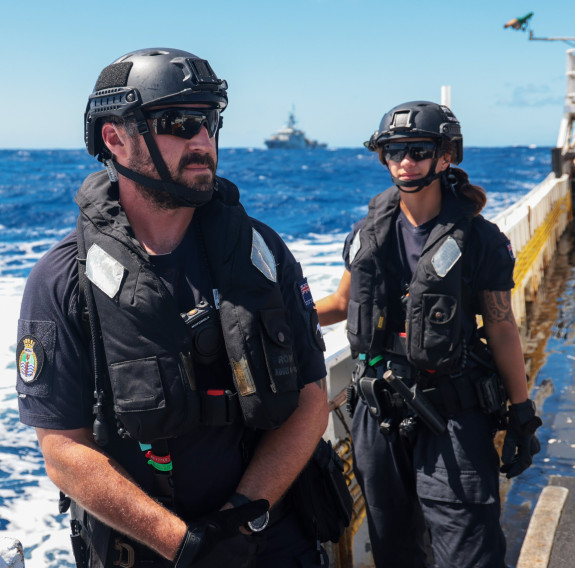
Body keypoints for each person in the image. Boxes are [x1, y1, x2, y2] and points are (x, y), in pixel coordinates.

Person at [16, 48, 329, 568]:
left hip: (268, 537)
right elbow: (63, 449)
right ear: (115, 139)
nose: (203, 140)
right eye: (179, 122)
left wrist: (241, 518)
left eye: (210, 121)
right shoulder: (63, 279)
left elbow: (312, 400)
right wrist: (184, 545)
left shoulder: (263, 254)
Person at [315, 100, 542, 568]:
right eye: (393, 150)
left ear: (446, 157)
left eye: (418, 150)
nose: (405, 161)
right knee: (394, 547)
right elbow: (340, 305)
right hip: (378, 415)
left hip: (452, 414)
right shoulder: (367, 234)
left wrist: (522, 412)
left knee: (468, 551)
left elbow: (500, 327)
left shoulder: (479, 240)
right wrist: (269, 315)